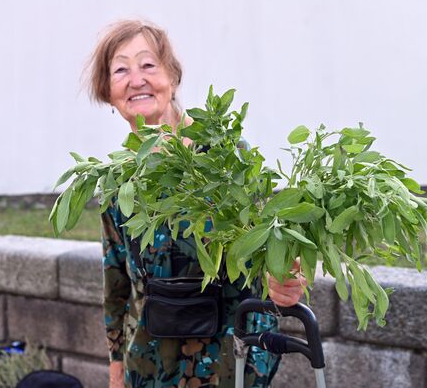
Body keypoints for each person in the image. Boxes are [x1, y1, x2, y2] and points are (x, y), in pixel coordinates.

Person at [88, 20, 306, 388]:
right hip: (149, 365)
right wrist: (115, 372)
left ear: (172, 77)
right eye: (120, 69)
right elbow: (117, 285)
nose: (136, 78)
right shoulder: (117, 182)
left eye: (148, 65)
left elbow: (267, 248)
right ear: (109, 92)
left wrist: (282, 277)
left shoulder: (224, 156)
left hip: (228, 362)